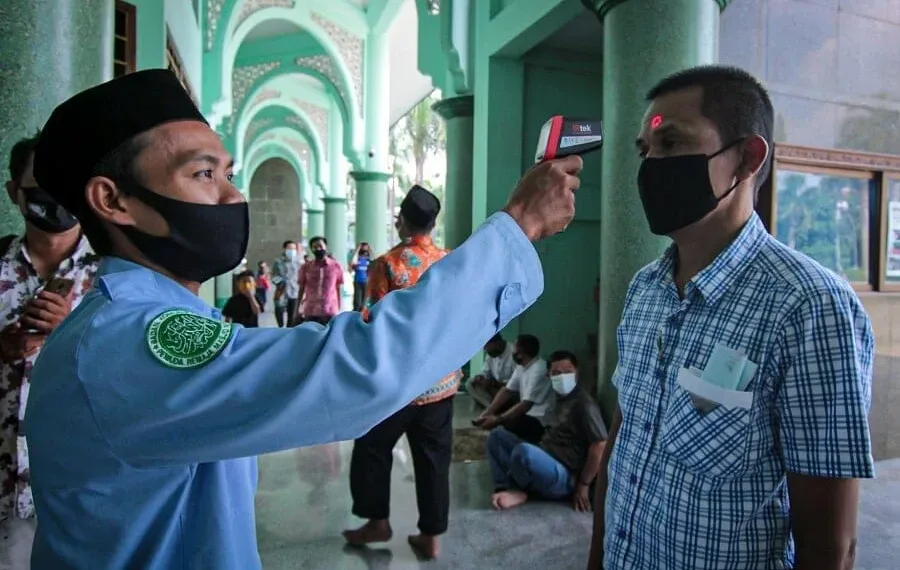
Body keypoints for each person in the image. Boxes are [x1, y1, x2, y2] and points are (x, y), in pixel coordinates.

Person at [23, 69, 580, 570]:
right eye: (203, 173)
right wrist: (520, 224)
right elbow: (356, 367)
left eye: (228, 172)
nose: (232, 195)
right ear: (113, 201)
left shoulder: (150, 319)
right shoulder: (125, 340)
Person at [586, 65, 874, 570]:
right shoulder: (644, 290)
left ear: (746, 158)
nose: (650, 165)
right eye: (645, 150)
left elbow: (830, 546)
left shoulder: (807, 307)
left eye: (670, 144)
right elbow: (626, 438)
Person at [0, 132, 100, 570]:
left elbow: (136, 374)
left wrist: (70, 334)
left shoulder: (117, 276)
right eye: (42, 185)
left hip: (82, 484)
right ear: (14, 194)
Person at [344, 185, 459, 560]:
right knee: (433, 459)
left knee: (371, 449)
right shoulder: (450, 261)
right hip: (440, 383)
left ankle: (377, 521)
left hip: (397, 385)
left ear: (403, 221)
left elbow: (372, 321)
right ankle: (431, 536)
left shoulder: (387, 264)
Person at [487, 350, 606, 512]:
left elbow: (600, 445)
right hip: (548, 458)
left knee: (524, 452)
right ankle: (503, 488)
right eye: (556, 373)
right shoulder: (560, 399)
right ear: (548, 376)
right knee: (497, 436)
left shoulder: (584, 405)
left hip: (564, 476)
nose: (563, 377)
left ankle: (519, 490)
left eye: (568, 372)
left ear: (577, 372)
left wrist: (583, 484)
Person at [474, 334, 553, 444]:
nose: (512, 353)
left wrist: (497, 420)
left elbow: (525, 405)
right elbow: (507, 390)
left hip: (540, 420)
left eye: (515, 350)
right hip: (527, 414)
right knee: (499, 429)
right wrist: (487, 413)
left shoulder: (539, 370)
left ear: (521, 353)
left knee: (500, 434)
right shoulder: (522, 366)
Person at [297, 236, 343, 325]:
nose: (318, 249)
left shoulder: (336, 266)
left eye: (320, 246)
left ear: (325, 246)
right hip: (310, 310)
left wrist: (339, 308)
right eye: (315, 247)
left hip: (330, 310)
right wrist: (297, 310)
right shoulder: (305, 267)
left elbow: (338, 287)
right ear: (311, 249)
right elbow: (301, 288)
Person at [466, 333, 517, 408]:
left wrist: (494, 384)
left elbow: (517, 383)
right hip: (495, 388)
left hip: (510, 390)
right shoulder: (491, 353)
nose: (485, 349)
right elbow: (485, 372)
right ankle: (490, 406)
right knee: (470, 383)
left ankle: (493, 408)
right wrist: (480, 377)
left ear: (496, 343)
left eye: (486, 345)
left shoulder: (513, 353)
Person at [271, 240, 301, 327]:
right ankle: (280, 328)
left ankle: (289, 331)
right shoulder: (278, 262)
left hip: (295, 292)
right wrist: (280, 282)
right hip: (281, 292)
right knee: (279, 311)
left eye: (294, 249)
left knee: (292, 316)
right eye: (289, 248)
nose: (292, 251)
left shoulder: (300, 262)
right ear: (284, 249)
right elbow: (273, 276)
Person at [349, 242, 371, 311]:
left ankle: (363, 317)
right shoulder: (357, 259)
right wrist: (357, 249)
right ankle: (355, 316)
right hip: (357, 282)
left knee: (364, 303)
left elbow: (376, 259)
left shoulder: (368, 260)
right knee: (357, 302)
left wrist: (370, 249)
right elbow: (352, 263)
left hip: (366, 282)